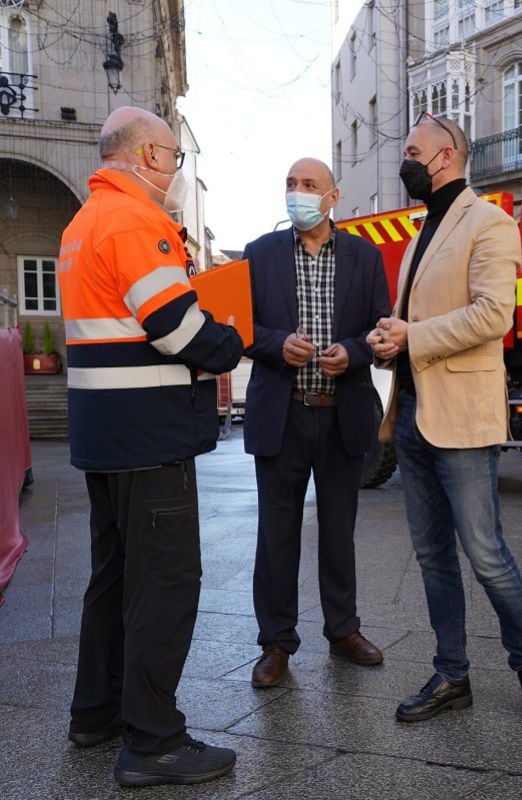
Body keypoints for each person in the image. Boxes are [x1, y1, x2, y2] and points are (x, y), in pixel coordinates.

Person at [59, 107, 243, 786]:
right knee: (164, 583)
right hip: (147, 432)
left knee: (113, 579)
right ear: (142, 154)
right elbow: (174, 328)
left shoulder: (84, 221)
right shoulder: (136, 219)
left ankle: (97, 711)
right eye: (172, 155)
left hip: (104, 434)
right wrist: (231, 341)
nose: (175, 169)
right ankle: (154, 740)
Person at [367, 114, 522, 725]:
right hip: (415, 410)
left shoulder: (490, 222)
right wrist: (389, 339)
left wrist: (412, 336)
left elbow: (493, 315)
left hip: (464, 418)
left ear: (446, 156)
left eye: (412, 151)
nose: (406, 162)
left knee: (485, 553)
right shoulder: (423, 232)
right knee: (432, 556)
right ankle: (452, 676)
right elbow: (421, 319)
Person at [242, 158, 391, 689]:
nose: (296, 193)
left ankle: (343, 631)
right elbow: (240, 329)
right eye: (290, 184)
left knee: (339, 533)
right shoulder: (259, 254)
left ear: (332, 196)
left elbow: (380, 329)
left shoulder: (363, 256)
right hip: (281, 416)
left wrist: (351, 354)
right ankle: (276, 643)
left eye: (308, 185)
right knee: (276, 536)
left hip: (340, 414)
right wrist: (276, 345)